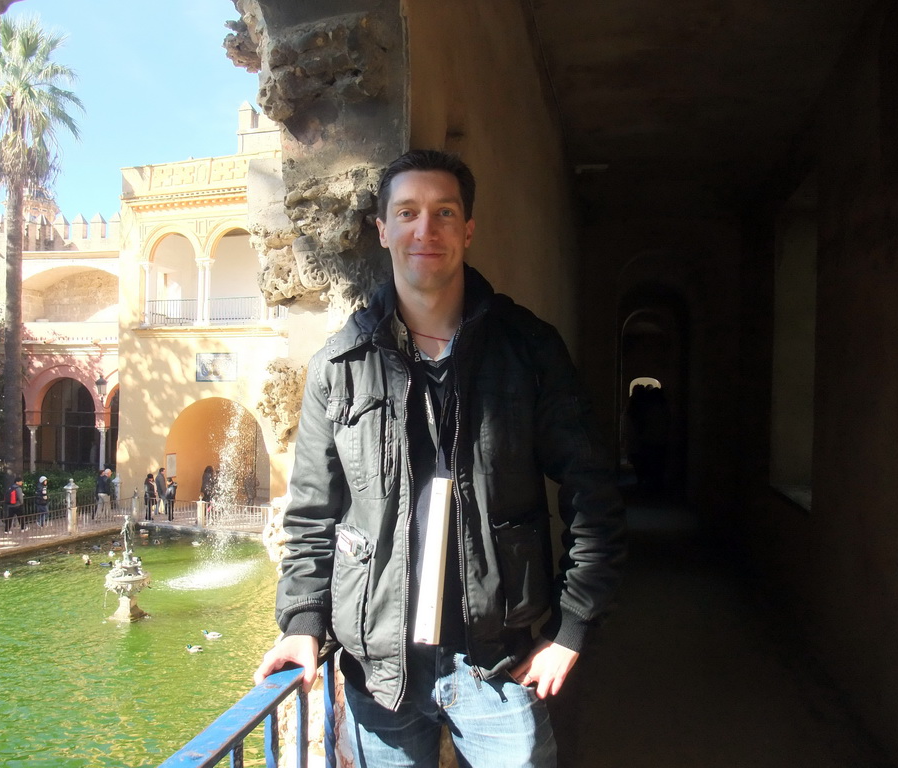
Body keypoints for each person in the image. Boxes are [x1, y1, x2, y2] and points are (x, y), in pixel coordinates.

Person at [253, 150, 626, 767]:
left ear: (468, 229)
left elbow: (594, 488)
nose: (425, 230)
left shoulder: (528, 350)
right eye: (407, 212)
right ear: (383, 229)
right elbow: (312, 516)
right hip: (382, 678)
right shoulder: (339, 367)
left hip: (500, 666)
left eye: (443, 212)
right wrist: (301, 624)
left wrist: (573, 627)